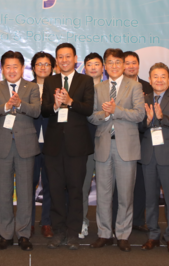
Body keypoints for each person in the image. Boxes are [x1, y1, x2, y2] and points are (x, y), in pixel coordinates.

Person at [88, 49, 144, 252]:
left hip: (126, 147)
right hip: (104, 145)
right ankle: (104, 233)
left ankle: (122, 234)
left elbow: (139, 114)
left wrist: (116, 111)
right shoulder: (98, 87)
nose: (113, 66)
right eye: (109, 63)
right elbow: (92, 116)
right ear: (104, 66)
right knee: (103, 193)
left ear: (123, 64)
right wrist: (104, 114)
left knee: (125, 194)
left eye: (117, 62)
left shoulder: (135, 86)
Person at [41, 43, 95, 250]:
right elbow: (44, 110)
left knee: (76, 190)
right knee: (55, 190)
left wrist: (70, 101)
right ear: (57, 60)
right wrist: (55, 105)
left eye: (67, 56)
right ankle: (59, 231)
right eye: (60, 57)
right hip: (54, 145)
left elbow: (88, 108)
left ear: (75, 59)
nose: (64, 60)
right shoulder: (50, 81)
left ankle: (73, 232)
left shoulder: (85, 80)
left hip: (77, 146)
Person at [0, 51, 41, 251]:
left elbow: (36, 111)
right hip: (2, 146)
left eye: (15, 66)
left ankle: (24, 234)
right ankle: (6, 234)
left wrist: (20, 104)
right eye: (7, 67)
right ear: (2, 68)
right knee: (2, 192)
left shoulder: (32, 87)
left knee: (26, 192)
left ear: (22, 68)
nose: (11, 70)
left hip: (25, 145)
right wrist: (5, 106)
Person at [138, 63, 169, 254]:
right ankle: (153, 235)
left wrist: (162, 117)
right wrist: (147, 121)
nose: (159, 80)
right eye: (155, 76)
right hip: (149, 156)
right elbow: (138, 127)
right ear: (149, 80)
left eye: (163, 76)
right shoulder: (143, 99)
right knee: (150, 198)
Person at [122, 50, 150, 231]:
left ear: (139, 65)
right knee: (121, 184)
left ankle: (138, 220)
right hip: (123, 139)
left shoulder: (148, 86)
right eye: (127, 63)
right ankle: (120, 220)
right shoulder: (115, 86)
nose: (131, 66)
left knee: (140, 182)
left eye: (134, 63)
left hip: (143, 139)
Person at [30, 51, 55, 238]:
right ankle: (28, 221)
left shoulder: (58, 88)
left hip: (51, 142)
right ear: (33, 67)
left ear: (52, 68)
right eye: (39, 64)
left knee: (49, 184)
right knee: (28, 184)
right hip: (29, 143)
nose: (43, 67)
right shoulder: (26, 88)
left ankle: (46, 221)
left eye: (47, 64)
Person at [80, 52, 104, 239]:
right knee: (83, 186)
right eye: (90, 64)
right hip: (85, 144)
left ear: (102, 68)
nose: (93, 67)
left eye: (97, 64)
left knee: (105, 187)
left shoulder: (110, 88)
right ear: (84, 67)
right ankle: (82, 222)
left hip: (106, 143)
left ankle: (105, 226)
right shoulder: (79, 88)